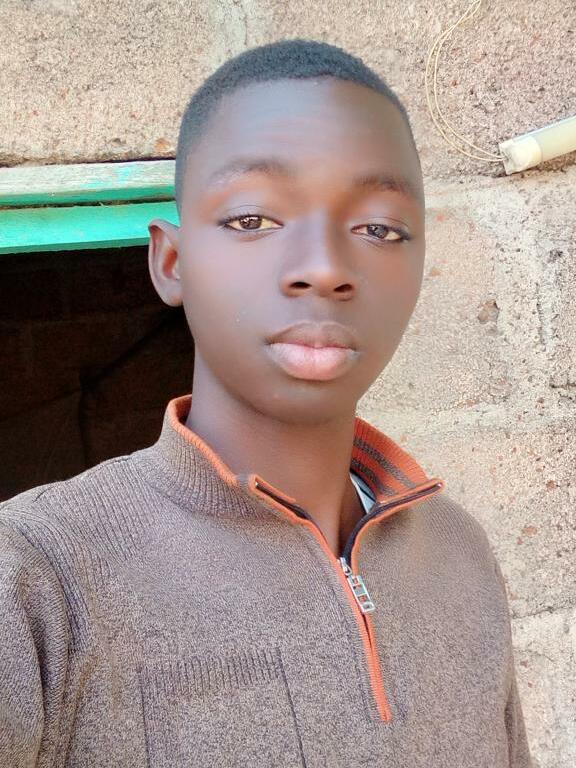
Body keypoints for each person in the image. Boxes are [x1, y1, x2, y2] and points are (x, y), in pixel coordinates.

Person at [0, 39, 532, 767]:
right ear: (172, 263)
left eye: (378, 228)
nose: (324, 268)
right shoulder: (38, 575)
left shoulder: (458, 554)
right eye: (253, 219)